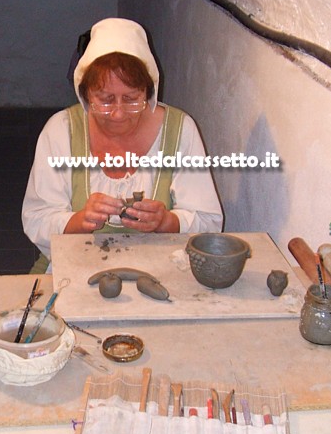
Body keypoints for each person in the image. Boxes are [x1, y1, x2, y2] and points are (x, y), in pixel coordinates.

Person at [22, 18, 223, 272]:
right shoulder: (61, 131)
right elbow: (37, 219)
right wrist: (80, 220)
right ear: (85, 94)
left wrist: (166, 221)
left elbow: (208, 222)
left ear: (148, 93)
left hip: (160, 270)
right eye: (105, 99)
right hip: (72, 269)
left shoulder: (180, 131)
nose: (118, 114)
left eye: (131, 99)